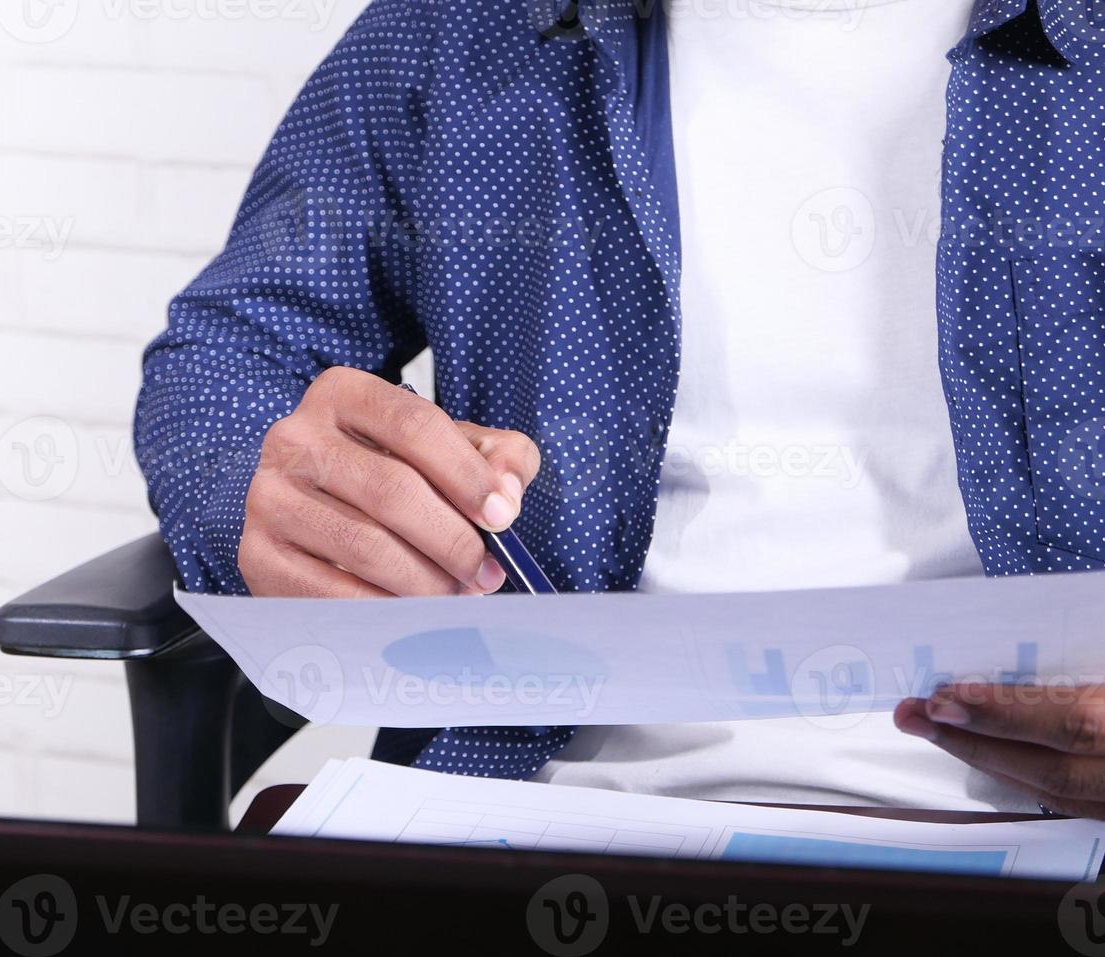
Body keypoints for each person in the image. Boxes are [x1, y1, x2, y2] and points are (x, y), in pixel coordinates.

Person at [134, 0, 1105, 816]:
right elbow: (230, 351)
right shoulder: (458, 31)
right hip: (545, 808)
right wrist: (267, 489)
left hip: (1039, 840)